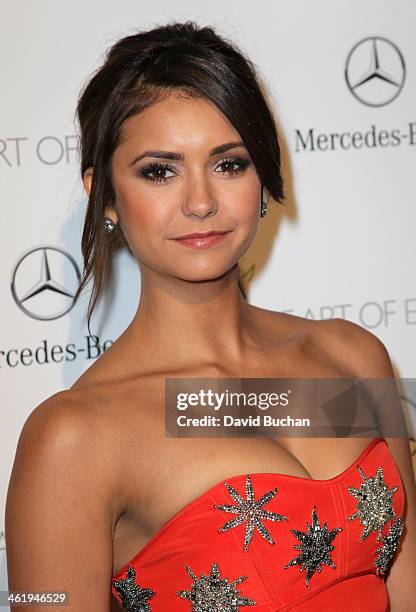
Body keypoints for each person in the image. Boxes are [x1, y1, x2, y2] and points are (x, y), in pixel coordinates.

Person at [5, 20, 416, 611]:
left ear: (262, 177)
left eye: (228, 163)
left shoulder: (351, 355)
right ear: (107, 198)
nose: (201, 202)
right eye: (159, 170)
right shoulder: (75, 438)